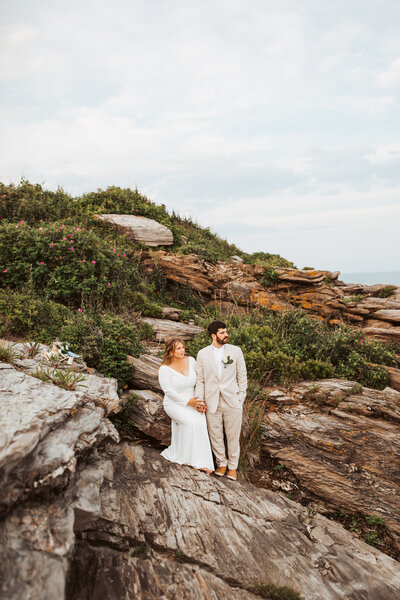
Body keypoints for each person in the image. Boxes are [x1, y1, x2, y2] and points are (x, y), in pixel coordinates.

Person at [195, 321, 247, 481]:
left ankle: (233, 467)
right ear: (213, 335)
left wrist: (241, 398)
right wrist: (200, 400)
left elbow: (242, 376)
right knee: (215, 435)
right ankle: (221, 463)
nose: (226, 335)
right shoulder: (202, 354)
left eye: (226, 332)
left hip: (232, 401)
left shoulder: (236, 351)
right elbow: (200, 380)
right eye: (222, 333)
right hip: (211, 401)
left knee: (232, 435)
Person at [158, 337, 214, 474]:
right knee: (190, 423)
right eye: (178, 348)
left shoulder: (191, 361)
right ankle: (193, 461)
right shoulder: (164, 369)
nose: (182, 350)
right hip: (174, 403)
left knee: (201, 423)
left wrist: (199, 402)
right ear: (170, 351)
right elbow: (168, 391)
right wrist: (188, 402)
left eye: (183, 347)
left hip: (193, 401)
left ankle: (204, 461)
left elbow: (200, 380)